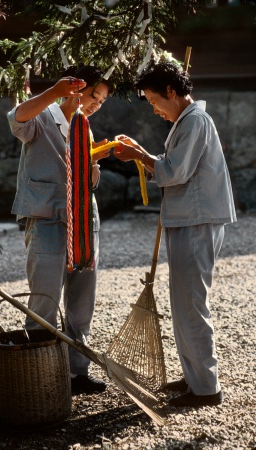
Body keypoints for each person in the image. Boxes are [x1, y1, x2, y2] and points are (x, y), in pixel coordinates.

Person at [113, 61, 237, 408]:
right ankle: (195, 377)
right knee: (184, 303)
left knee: (191, 303)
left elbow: (175, 171)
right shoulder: (189, 120)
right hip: (190, 219)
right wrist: (144, 156)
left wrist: (140, 154)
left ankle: (206, 387)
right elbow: (172, 166)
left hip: (196, 220)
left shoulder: (195, 120)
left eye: (155, 101)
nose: (154, 110)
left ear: (172, 91)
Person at [7, 65, 112, 395]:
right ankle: (42, 375)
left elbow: (90, 180)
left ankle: (77, 373)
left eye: (103, 99)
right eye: (95, 96)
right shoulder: (43, 115)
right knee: (44, 300)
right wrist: (54, 91)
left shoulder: (85, 127)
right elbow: (16, 118)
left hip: (83, 222)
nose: (98, 103)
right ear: (76, 90)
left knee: (82, 302)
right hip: (46, 218)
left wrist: (95, 160)